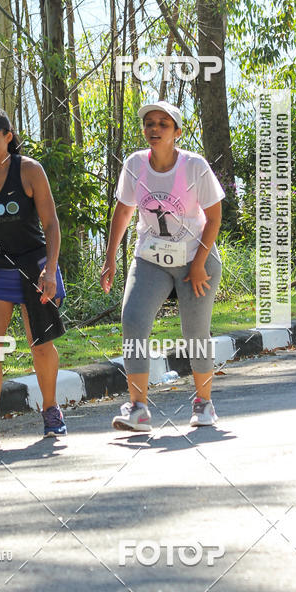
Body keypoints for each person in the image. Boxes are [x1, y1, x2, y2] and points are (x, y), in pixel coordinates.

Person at [100, 100, 225, 430]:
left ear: (177, 133)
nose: (154, 129)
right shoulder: (135, 165)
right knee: (133, 321)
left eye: (163, 124)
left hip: (196, 258)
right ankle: (138, 408)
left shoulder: (194, 166)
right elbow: (124, 213)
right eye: (149, 124)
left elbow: (214, 218)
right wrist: (110, 257)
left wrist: (199, 265)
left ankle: (204, 404)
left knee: (195, 332)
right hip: (151, 258)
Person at [0, 106, 67, 449]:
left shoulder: (30, 171)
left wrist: (50, 271)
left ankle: (51, 409)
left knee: (40, 344)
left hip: (34, 265)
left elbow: (51, 224)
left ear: (8, 137)